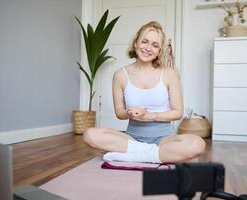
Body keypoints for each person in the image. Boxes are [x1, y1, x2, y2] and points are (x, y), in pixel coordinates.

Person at [83, 21, 205, 163]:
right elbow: (119, 113)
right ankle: (155, 155)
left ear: (159, 50)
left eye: (155, 45)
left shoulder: (169, 74)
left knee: (197, 144)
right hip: (132, 139)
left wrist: (150, 115)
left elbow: (177, 112)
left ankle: (136, 155)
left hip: (164, 139)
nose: (148, 48)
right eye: (144, 42)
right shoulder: (120, 75)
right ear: (135, 43)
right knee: (89, 135)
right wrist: (129, 112)